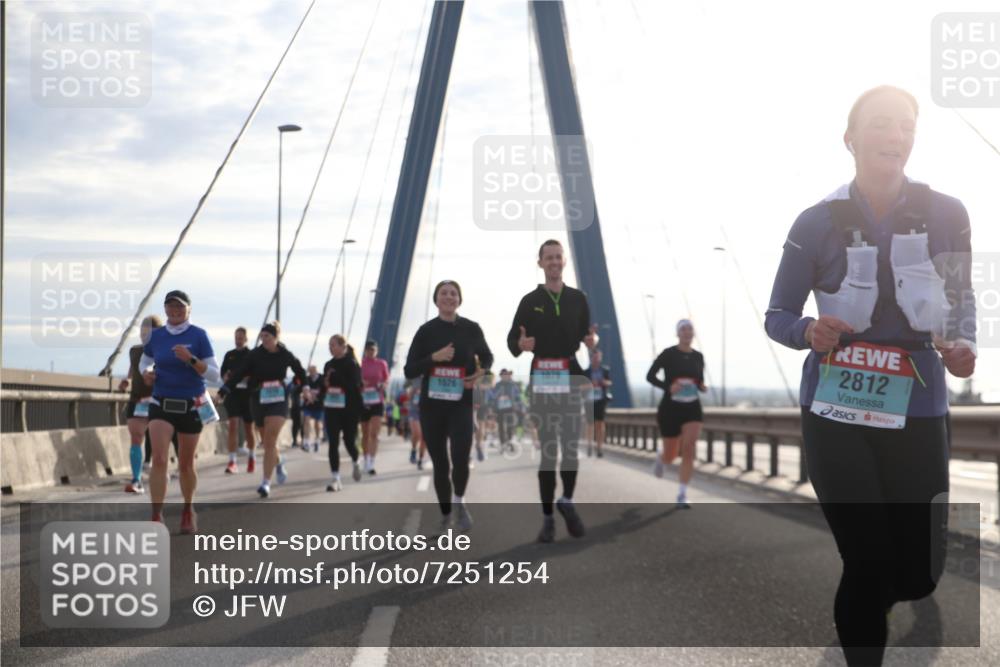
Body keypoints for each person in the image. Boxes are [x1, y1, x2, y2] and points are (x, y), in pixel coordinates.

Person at [765, 85, 976, 666]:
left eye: (906, 125)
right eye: (881, 123)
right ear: (850, 139)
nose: (895, 135)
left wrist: (962, 345)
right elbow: (778, 314)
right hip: (835, 409)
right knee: (865, 558)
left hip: (918, 408)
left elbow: (962, 302)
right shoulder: (815, 222)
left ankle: (876, 597)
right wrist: (808, 330)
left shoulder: (948, 213)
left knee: (919, 573)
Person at [507, 239, 598, 543]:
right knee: (549, 452)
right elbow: (512, 340)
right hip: (542, 377)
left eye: (558, 257)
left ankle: (567, 501)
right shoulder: (529, 300)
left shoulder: (578, 299)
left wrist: (592, 342)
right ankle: (547, 518)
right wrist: (520, 345)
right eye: (549, 258)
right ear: (540, 263)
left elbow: (587, 334)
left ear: (564, 261)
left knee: (570, 448)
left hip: (570, 375)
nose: (554, 262)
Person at [404, 280, 493, 532]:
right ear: (436, 300)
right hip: (432, 407)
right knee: (441, 464)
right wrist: (434, 358)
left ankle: (459, 503)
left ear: (459, 300)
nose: (449, 297)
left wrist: (480, 372)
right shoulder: (425, 331)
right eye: (444, 293)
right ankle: (445, 515)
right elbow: (409, 370)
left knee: (461, 457)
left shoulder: (471, 329)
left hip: (461, 403)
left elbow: (487, 356)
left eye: (454, 293)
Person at [139, 290, 220, 533]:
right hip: (161, 402)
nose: (175, 311)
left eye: (180, 307)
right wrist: (147, 373)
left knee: (185, 464)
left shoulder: (199, 335)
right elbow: (145, 361)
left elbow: (214, 375)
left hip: (191, 404)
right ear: (165, 309)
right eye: (170, 306)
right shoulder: (156, 336)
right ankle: (156, 515)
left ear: (188, 309)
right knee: (159, 459)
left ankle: (188, 509)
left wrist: (191, 359)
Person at [218, 321, 311, 499]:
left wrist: (305, 388)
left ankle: (265, 483)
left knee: (269, 441)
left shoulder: (285, 354)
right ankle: (279, 460)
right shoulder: (254, 355)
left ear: (275, 337)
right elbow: (238, 373)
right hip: (258, 399)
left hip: (279, 400)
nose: (264, 339)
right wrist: (223, 390)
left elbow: (300, 371)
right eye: (261, 337)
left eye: (267, 336)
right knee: (268, 442)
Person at [647, 320, 706, 508]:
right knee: (671, 455)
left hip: (692, 407)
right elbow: (650, 376)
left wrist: (701, 386)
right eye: (683, 329)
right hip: (670, 408)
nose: (687, 332)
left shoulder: (698, 356)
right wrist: (668, 387)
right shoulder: (668, 354)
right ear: (678, 333)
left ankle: (682, 493)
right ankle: (662, 457)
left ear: (693, 333)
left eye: (690, 329)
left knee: (689, 447)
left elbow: (699, 380)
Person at [118, 315, 163, 493]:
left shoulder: (165, 352)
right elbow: (133, 369)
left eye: (149, 333)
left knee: (159, 443)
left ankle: (159, 472)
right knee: (136, 438)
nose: (145, 337)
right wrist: (127, 380)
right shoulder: (134, 351)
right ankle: (136, 480)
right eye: (143, 333)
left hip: (158, 401)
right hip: (137, 400)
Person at [322, 335, 363, 491]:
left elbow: (353, 386)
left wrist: (336, 377)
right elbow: (325, 385)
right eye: (329, 345)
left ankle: (356, 460)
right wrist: (324, 383)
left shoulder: (352, 364)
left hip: (349, 409)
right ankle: (335, 478)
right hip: (332, 408)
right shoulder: (328, 364)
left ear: (342, 346)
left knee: (349, 441)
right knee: (333, 442)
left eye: (333, 345)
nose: (330, 348)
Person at [220, 326, 257, 474]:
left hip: (247, 395)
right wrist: (226, 376)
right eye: (236, 337)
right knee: (233, 426)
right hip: (233, 395)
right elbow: (223, 373)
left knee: (249, 428)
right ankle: (232, 461)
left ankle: (252, 456)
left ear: (246, 339)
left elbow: (256, 374)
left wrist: (248, 378)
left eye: (241, 337)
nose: (238, 340)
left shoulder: (252, 355)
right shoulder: (229, 355)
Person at [360, 340, 390, 475]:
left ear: (376, 351)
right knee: (365, 433)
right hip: (364, 401)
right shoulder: (360, 364)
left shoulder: (382, 363)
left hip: (377, 401)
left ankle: (372, 463)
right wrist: (361, 383)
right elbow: (355, 380)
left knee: (374, 433)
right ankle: (366, 459)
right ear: (365, 351)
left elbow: (386, 379)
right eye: (368, 350)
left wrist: (383, 384)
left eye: (373, 350)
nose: (370, 352)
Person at [585, 348, 612, 458]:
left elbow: (610, 382)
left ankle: (599, 447)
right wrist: (590, 384)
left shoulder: (605, 370)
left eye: (598, 357)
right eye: (594, 357)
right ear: (591, 358)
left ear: (600, 358)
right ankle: (589, 445)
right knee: (590, 424)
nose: (596, 360)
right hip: (589, 400)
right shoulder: (586, 372)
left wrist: (603, 382)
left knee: (600, 424)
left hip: (601, 400)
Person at [492, 369, 523, 453]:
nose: (505, 376)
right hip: (499, 409)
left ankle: (510, 442)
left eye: (506, 374)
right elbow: (493, 396)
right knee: (501, 427)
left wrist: (519, 406)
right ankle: (502, 444)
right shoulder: (497, 385)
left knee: (510, 426)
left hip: (511, 408)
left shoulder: (513, 385)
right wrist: (499, 397)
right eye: (503, 375)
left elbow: (518, 396)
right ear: (501, 376)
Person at [301, 364, 325, 452]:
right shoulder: (306, 379)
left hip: (318, 405)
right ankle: (306, 441)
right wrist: (307, 397)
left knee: (317, 423)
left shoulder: (322, 379)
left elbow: (324, 391)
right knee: (306, 421)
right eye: (309, 371)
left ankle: (317, 440)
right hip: (308, 404)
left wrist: (315, 398)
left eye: (312, 370)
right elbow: (303, 389)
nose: (311, 372)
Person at [407, 380, 427, 469]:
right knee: (417, 433)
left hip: (426, 410)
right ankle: (414, 450)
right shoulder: (415, 378)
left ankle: (420, 459)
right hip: (414, 410)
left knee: (424, 436)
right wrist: (413, 391)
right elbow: (408, 395)